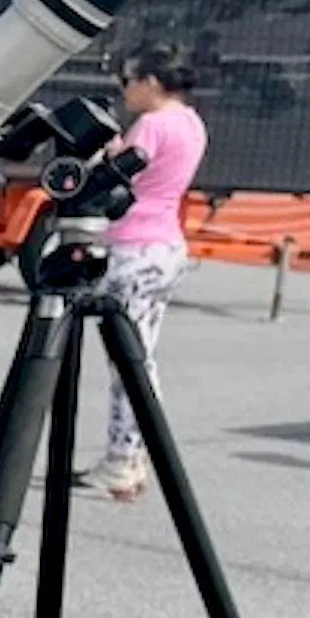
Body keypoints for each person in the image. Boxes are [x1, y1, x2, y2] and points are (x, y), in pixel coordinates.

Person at [77, 44, 209, 502]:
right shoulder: (191, 122)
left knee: (126, 361)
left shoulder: (153, 124)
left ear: (151, 82)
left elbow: (116, 177)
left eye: (129, 80)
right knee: (142, 356)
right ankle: (131, 455)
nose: (125, 90)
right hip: (166, 244)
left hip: (133, 246)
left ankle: (121, 459)